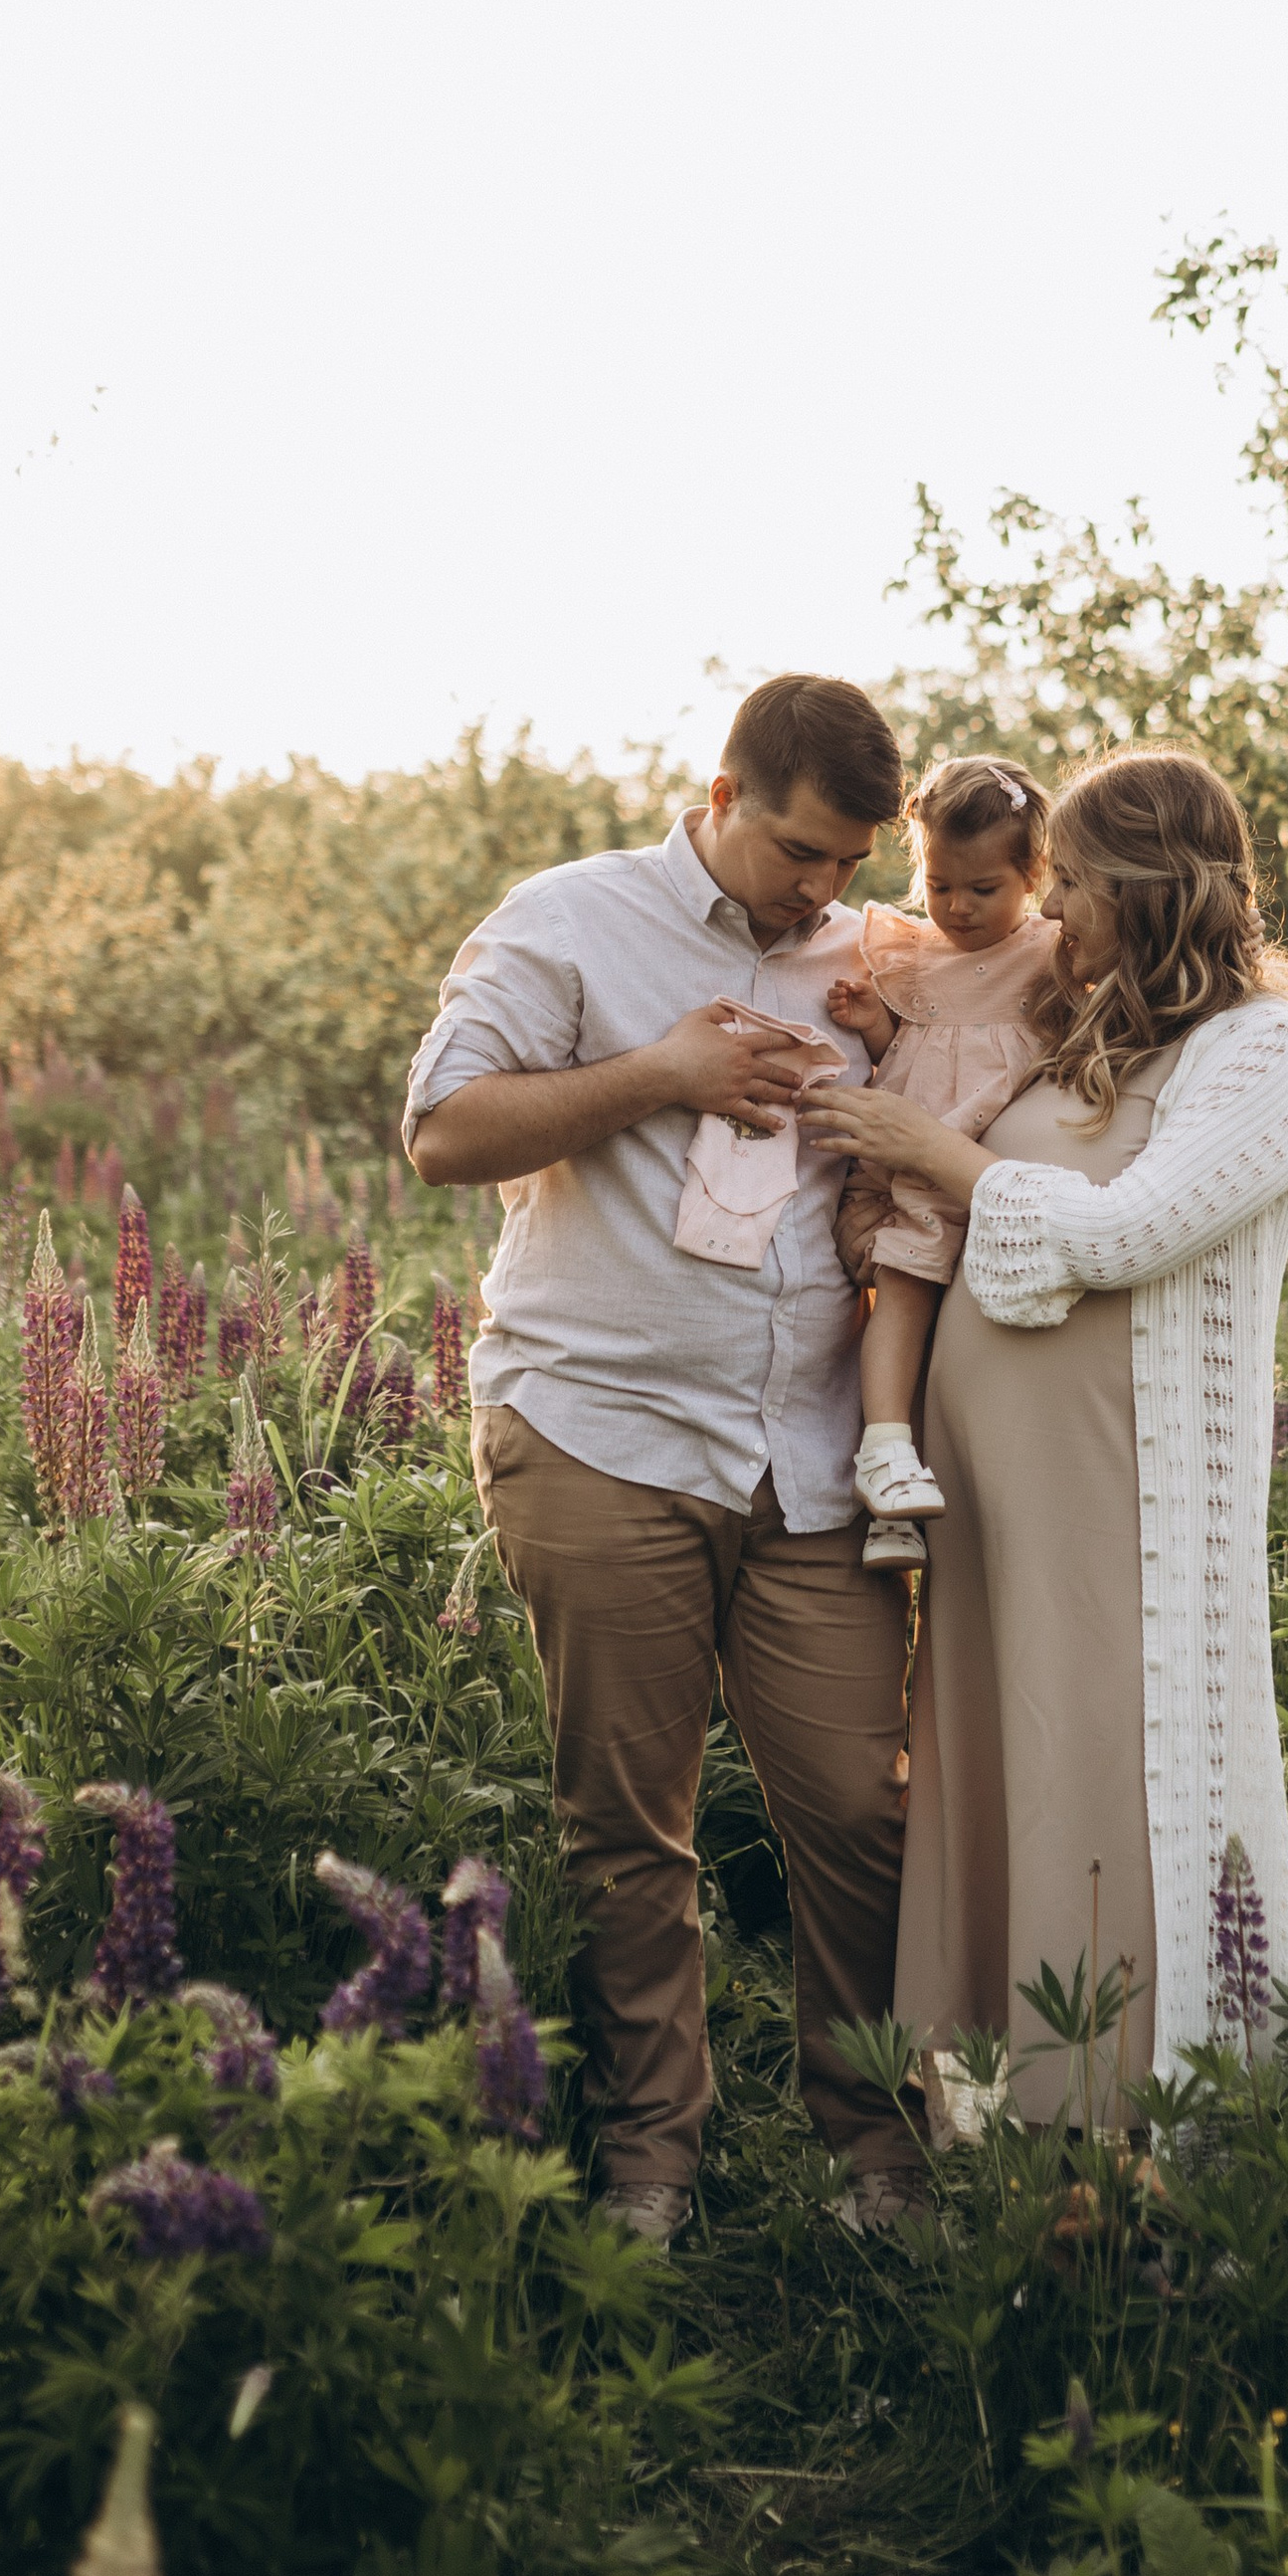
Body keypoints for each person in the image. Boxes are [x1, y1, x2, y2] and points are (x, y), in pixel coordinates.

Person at [402, 673, 923, 2248]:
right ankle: (653, 2168)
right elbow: (440, 1130)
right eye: (797, 853)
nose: (824, 889)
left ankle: (885, 2154)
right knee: (631, 1825)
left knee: (858, 1807)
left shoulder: (877, 956)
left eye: (850, 861)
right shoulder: (569, 920)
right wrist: (661, 1077)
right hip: (601, 1431)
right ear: (719, 795)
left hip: (815, 1458)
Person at [801, 748, 1288, 2129]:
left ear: (1152, 889)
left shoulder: (1266, 1051)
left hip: (1128, 1514)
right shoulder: (1094, 1026)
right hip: (993, 1523)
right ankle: (993, 2141)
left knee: (1105, 1793)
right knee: (998, 1796)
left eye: (1081, 886)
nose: (1061, 913)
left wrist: (925, 1152)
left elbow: (1120, 1233)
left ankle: (1129, 2142)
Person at [823, 753, 1062, 1569]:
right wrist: (870, 1024)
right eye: (939, 885)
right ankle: (885, 1450)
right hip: (924, 1169)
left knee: (970, 1350)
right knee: (904, 1300)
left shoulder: (1053, 953)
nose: (955, 907)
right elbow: (916, 1059)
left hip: (998, 1171)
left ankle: (907, 1500)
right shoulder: (912, 953)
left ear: (1034, 872)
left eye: (981, 889)